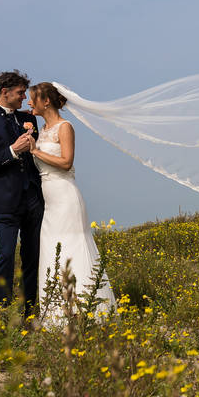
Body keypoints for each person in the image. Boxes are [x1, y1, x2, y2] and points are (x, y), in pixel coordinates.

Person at [27, 82, 117, 322]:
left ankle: (87, 311)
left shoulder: (65, 127)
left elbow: (67, 162)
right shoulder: (42, 129)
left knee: (73, 247)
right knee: (51, 249)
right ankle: (57, 315)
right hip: (50, 202)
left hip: (66, 197)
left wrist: (35, 151)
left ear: (46, 101)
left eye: (32, 98)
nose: (28, 102)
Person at [0, 70, 43, 318]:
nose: (25, 98)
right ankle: (0, 314)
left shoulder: (29, 120)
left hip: (34, 199)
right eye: (20, 93)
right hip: (5, 200)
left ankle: (30, 313)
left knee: (32, 256)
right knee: (5, 255)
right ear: (5, 92)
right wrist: (12, 151)